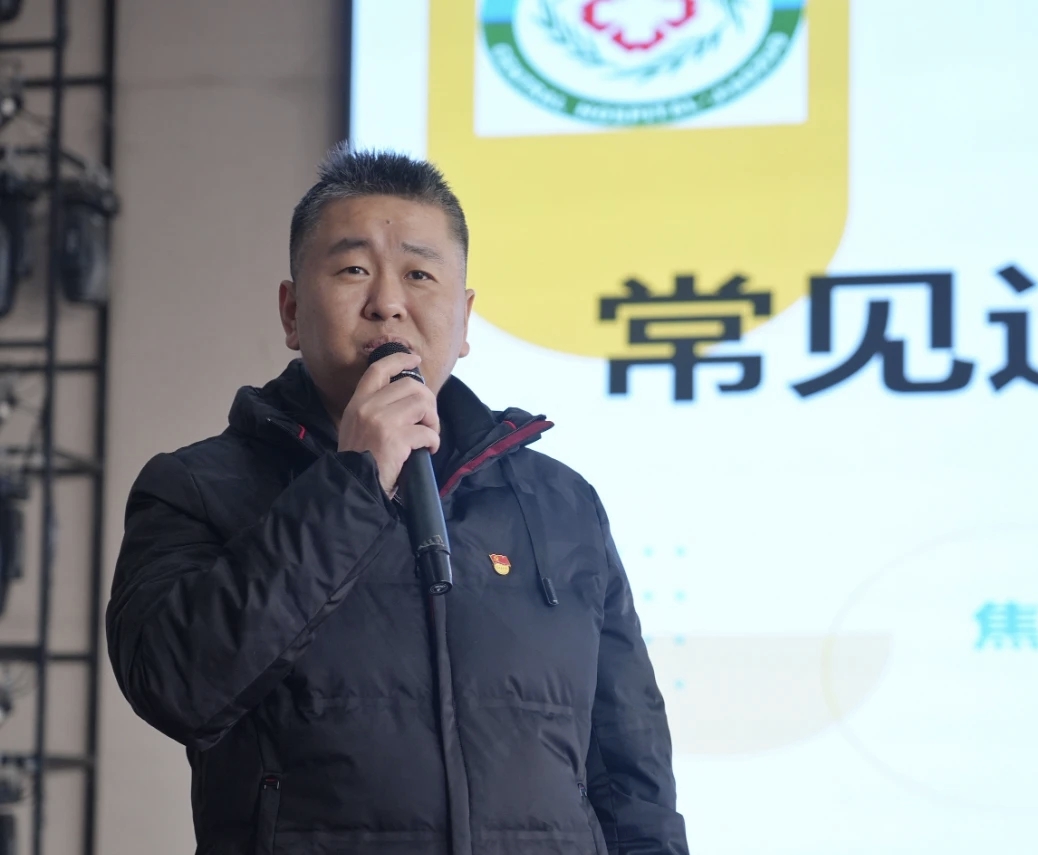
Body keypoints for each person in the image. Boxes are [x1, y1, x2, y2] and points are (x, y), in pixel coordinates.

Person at [106, 147, 688, 855]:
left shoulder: (560, 503)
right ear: (291, 311)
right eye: (353, 270)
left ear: (464, 320)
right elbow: (174, 686)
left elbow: (632, 777)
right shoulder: (195, 487)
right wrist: (352, 480)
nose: (387, 301)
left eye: (419, 274)